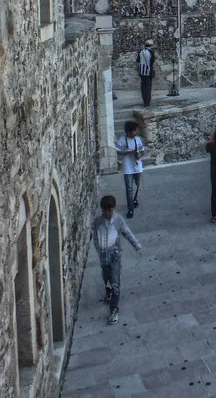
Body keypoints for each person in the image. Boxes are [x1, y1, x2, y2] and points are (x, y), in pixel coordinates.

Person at [91, 194, 142, 324]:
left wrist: (136, 245)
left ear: (113, 209)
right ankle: (108, 293)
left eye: (110, 210)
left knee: (115, 281)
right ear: (102, 210)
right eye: (106, 211)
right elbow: (96, 238)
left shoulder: (118, 220)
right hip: (104, 258)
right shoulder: (98, 222)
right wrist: (99, 250)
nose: (108, 213)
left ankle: (114, 310)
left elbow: (126, 232)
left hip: (115, 257)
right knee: (106, 277)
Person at [114, 120, 145, 217]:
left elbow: (142, 151)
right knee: (129, 188)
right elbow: (118, 152)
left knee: (138, 185)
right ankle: (130, 208)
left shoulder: (138, 139)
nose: (135, 133)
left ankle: (134, 199)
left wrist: (139, 155)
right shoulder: (122, 140)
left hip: (137, 166)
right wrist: (128, 152)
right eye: (134, 131)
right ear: (128, 132)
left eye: (136, 131)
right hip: (127, 167)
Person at [138, 38, 156, 106]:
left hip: (142, 72)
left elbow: (138, 60)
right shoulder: (151, 52)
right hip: (148, 72)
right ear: (151, 45)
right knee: (148, 87)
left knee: (143, 87)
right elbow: (152, 62)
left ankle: (144, 100)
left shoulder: (141, 51)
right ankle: (147, 102)